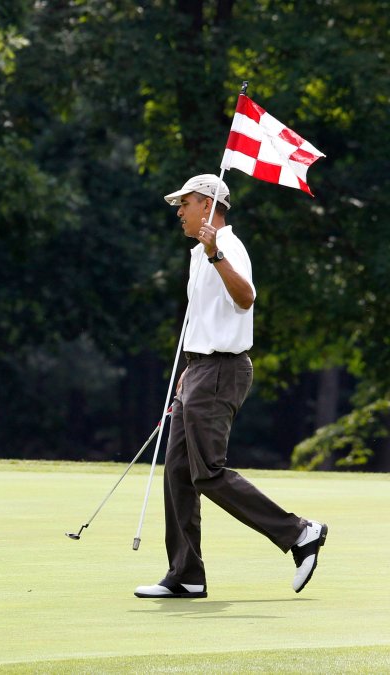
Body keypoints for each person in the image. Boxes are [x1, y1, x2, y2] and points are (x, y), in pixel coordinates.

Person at [135, 174, 326, 599]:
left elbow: (246, 298)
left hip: (223, 371)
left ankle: (300, 533)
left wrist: (216, 253)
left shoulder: (227, 248)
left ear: (207, 204)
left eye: (184, 203)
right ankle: (186, 574)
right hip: (202, 368)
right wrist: (191, 365)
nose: (179, 212)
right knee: (179, 473)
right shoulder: (199, 254)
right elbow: (208, 319)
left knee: (208, 472)